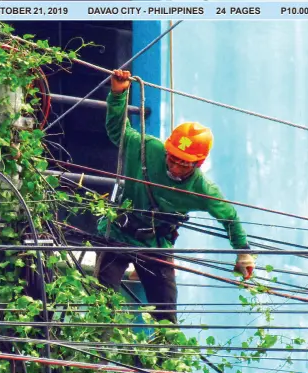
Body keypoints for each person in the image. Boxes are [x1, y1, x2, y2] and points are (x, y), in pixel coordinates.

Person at [94, 69, 255, 324]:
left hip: (156, 244)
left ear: (198, 163)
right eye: (173, 157)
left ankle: (162, 361)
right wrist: (117, 94)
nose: (175, 165)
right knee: (101, 309)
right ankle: (98, 354)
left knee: (166, 320)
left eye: (184, 163)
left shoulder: (202, 190)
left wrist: (243, 253)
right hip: (117, 234)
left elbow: (230, 218)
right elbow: (118, 132)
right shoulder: (150, 149)